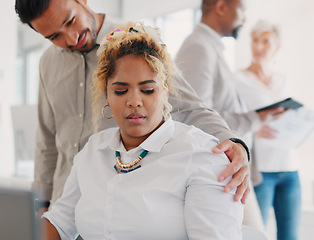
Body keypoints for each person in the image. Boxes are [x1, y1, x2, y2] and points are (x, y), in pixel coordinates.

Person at [14, 0, 252, 213]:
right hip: (63, 207)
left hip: (117, 208)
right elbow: (47, 139)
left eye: (70, 21)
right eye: (54, 36)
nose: (70, 39)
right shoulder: (47, 63)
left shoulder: (134, 42)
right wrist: (42, 204)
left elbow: (190, 108)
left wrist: (234, 142)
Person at [41, 22, 244, 240]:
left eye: (147, 90)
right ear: (106, 96)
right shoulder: (93, 150)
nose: (134, 102)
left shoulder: (203, 157)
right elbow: (60, 223)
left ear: (165, 91)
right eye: (120, 91)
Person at [175, 0, 286, 232]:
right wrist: (256, 118)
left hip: (231, 169)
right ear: (222, 7)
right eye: (242, 10)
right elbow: (196, 114)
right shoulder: (199, 47)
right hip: (222, 171)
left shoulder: (210, 46)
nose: (244, 19)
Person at [234, 19, 301, 240]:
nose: (259, 46)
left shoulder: (283, 80)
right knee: (256, 234)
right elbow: (233, 119)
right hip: (261, 171)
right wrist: (254, 128)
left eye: (265, 41)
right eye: (255, 40)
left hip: (289, 168)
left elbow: (290, 117)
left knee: (290, 236)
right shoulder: (239, 79)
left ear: (277, 48)